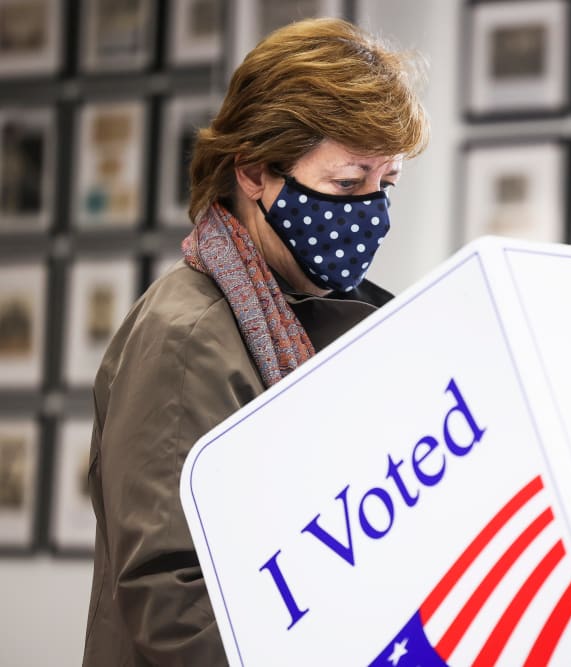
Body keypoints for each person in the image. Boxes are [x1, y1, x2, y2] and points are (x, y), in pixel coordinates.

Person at [82, 18, 429, 665]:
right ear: (252, 171)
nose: (372, 212)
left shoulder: (333, 318)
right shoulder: (185, 336)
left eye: (387, 185)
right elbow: (173, 602)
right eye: (349, 184)